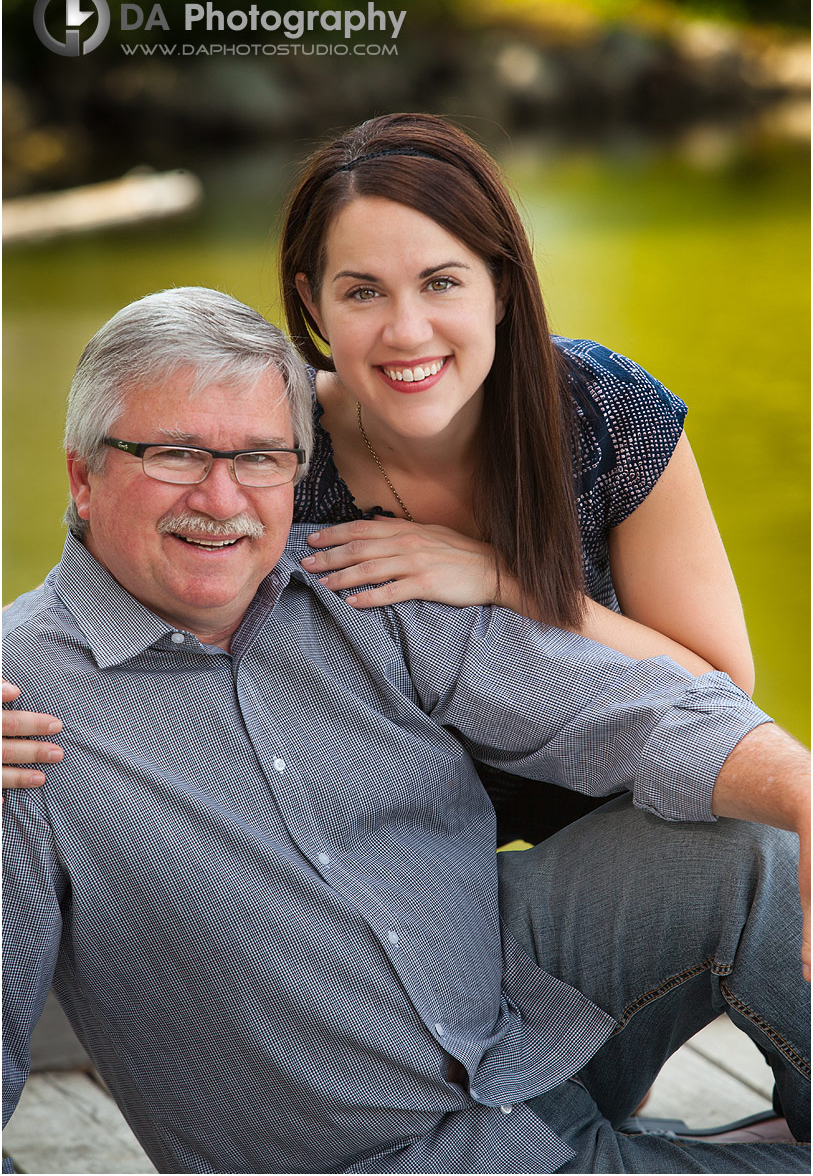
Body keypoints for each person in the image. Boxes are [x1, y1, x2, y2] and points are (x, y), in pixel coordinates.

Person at [3, 288, 810, 1175]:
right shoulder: (20, 718)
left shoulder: (351, 579)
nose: (222, 495)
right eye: (177, 453)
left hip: (522, 1033)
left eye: (262, 456)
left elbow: (633, 710)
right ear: (85, 475)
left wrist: (800, 788)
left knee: (758, 831)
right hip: (402, 1158)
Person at [3, 113, 755, 847]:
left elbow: (723, 692)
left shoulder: (600, 412)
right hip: (402, 869)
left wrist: (505, 580)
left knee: (753, 849)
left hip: (635, 816)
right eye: (363, 292)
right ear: (312, 303)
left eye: (441, 283)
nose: (406, 331)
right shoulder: (268, 448)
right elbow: (110, 578)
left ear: (500, 286)